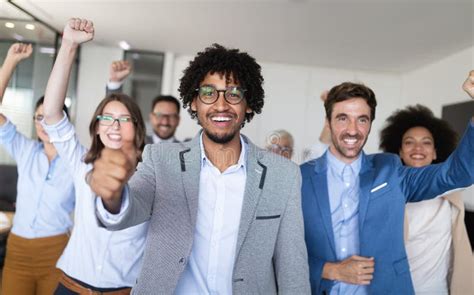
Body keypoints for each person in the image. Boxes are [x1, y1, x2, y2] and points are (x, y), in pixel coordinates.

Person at [90, 43, 310, 294]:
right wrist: (113, 196)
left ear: (248, 104)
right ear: (194, 102)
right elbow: (132, 207)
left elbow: (292, 265)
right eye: (208, 93)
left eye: (234, 93)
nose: (221, 104)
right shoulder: (161, 159)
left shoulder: (283, 175)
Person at [300, 74, 474, 294]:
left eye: (362, 119)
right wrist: (329, 270)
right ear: (328, 122)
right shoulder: (300, 178)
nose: (353, 130)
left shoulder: (389, 171)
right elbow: (280, 251)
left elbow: (457, 175)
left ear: (371, 123)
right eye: (343, 118)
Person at [41, 18, 148, 294]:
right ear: (97, 127)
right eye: (107, 118)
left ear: (136, 127)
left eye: (124, 119)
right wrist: (67, 45)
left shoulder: (153, 175)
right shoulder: (82, 164)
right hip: (70, 287)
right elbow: (52, 113)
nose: (114, 125)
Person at [0, 43, 75, 295]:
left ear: (62, 120)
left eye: (49, 116)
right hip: (18, 249)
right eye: (38, 117)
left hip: (56, 250)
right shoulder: (25, 149)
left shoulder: (78, 157)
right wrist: (10, 62)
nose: (43, 124)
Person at [379, 104, 472, 295]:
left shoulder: (452, 192)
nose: (418, 148)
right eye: (409, 142)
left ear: (436, 152)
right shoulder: (384, 192)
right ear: (400, 152)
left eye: (426, 142)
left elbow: (463, 167)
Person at [107, 60, 181, 144]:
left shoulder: (187, 151)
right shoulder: (135, 144)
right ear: (151, 117)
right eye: (159, 115)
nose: (165, 121)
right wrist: (115, 82)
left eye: (171, 116)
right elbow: (113, 112)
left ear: (178, 120)